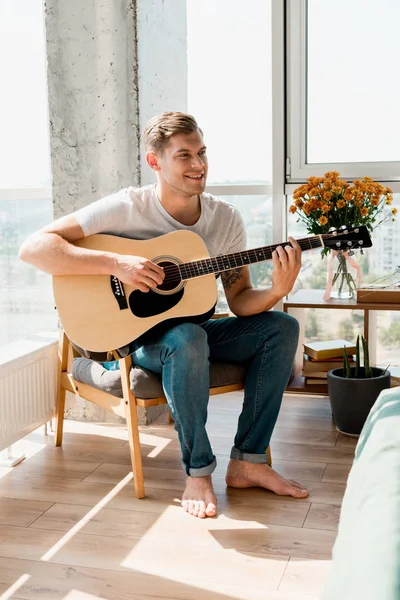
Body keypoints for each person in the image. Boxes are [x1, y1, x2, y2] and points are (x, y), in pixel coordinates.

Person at [19, 111, 308, 519]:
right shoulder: (126, 208)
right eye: (184, 155)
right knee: (187, 337)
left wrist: (278, 290)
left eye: (202, 153)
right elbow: (33, 248)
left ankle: (249, 462)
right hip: (145, 340)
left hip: (199, 328)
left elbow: (240, 299)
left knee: (281, 327)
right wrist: (117, 264)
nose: (198, 165)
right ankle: (198, 470)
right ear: (155, 162)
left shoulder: (224, 219)